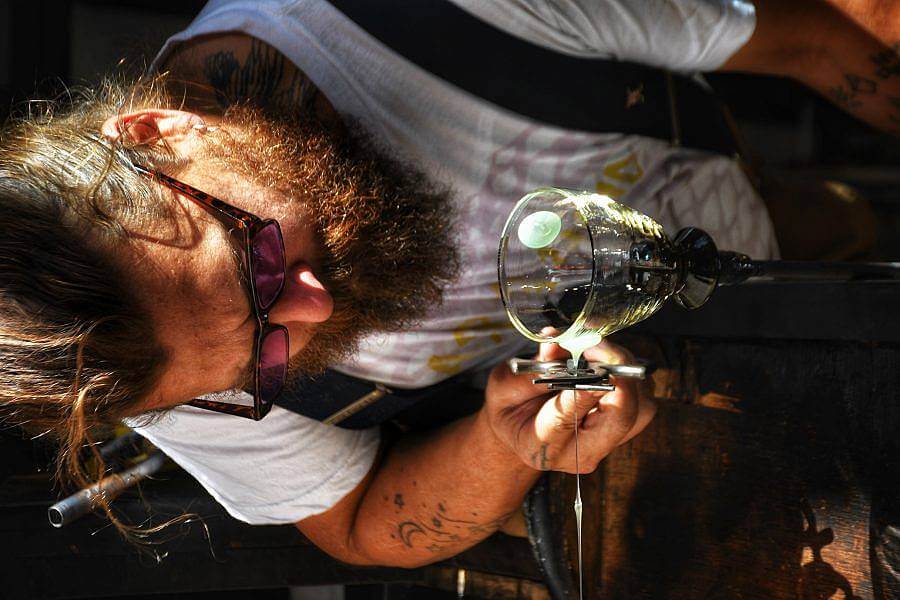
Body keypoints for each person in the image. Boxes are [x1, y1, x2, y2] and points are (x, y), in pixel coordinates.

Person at [1, 0, 897, 569]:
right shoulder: (170, 375)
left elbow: (825, 35)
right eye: (267, 354)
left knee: (834, 226)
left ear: (162, 134)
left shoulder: (432, 17)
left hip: (728, 187)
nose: (311, 308)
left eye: (259, 262)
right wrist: (506, 447)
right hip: (709, 371)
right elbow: (356, 522)